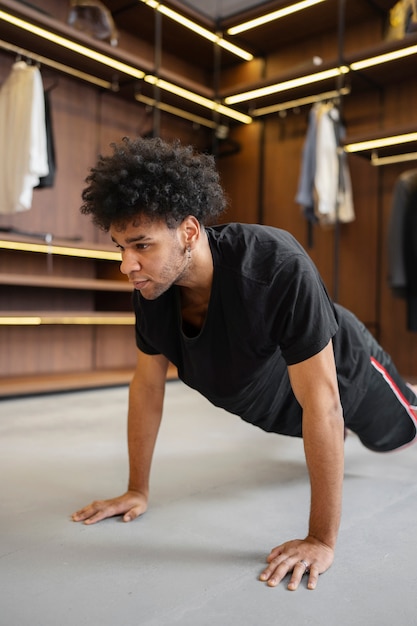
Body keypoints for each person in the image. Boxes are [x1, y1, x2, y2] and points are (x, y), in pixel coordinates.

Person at [72, 136, 417, 591]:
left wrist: (320, 539)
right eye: (120, 247)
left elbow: (324, 402)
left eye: (141, 245)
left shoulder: (275, 266)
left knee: (401, 438)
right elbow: (147, 386)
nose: (127, 265)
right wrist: (138, 488)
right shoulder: (153, 291)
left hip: (347, 375)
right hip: (287, 406)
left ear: (190, 232)